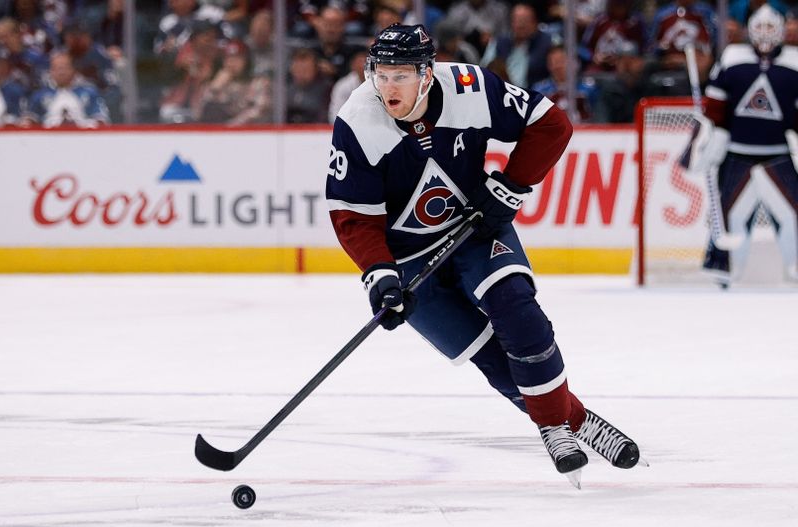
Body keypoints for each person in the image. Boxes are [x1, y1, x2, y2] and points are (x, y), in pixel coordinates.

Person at [325, 23, 642, 486]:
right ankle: (574, 422)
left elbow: (552, 123)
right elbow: (354, 216)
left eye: (400, 76)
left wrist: (512, 185)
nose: (387, 87)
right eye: (381, 75)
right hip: (410, 259)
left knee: (517, 309)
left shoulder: (470, 88)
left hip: (473, 228)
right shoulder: (358, 120)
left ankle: (553, 426)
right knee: (493, 360)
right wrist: (382, 276)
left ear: (427, 74)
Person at [680, 5, 798, 285]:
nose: (766, 33)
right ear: (750, 30)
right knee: (729, 213)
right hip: (736, 155)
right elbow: (716, 108)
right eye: (761, 27)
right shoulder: (733, 58)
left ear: (782, 30)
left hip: (777, 154)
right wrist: (708, 142)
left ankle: (794, 266)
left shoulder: (794, 62)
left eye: (772, 27)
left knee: (794, 211)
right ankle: (724, 268)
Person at [22, 51, 110, 128]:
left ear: (74, 69)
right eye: (56, 68)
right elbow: (28, 121)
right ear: (50, 71)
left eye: (64, 67)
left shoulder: (89, 92)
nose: (61, 72)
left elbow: (101, 119)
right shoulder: (40, 95)